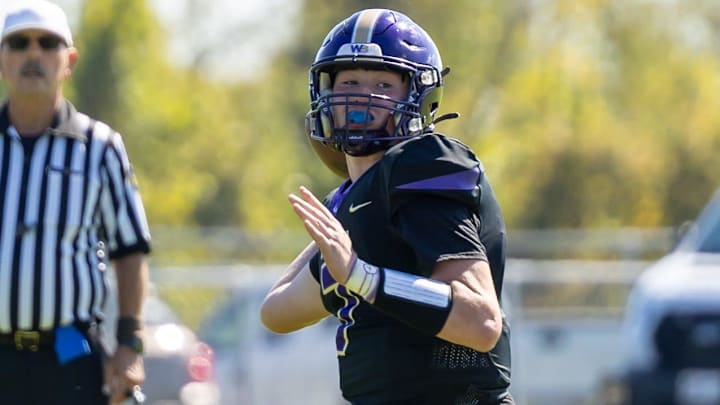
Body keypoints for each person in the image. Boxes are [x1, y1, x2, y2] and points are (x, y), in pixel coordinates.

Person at [261, 8, 513, 405]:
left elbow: (480, 321)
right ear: (324, 92)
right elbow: (276, 310)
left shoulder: (423, 167)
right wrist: (344, 211)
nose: (364, 96)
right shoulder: (356, 201)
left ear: (419, 94)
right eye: (350, 82)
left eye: (383, 83)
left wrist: (361, 276)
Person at [0, 1, 151, 404]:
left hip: (69, 357)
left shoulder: (100, 147)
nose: (33, 53)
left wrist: (129, 345)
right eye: (19, 43)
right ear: (2, 58)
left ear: (69, 59)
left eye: (47, 43)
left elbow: (130, 250)